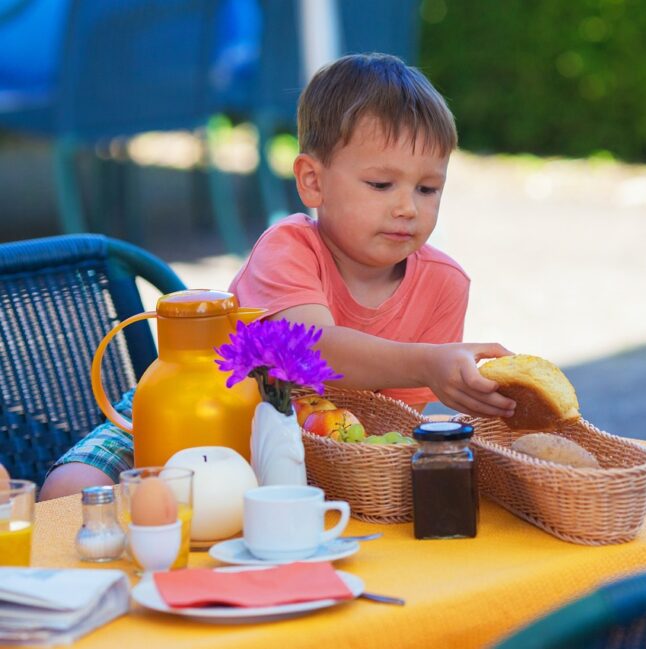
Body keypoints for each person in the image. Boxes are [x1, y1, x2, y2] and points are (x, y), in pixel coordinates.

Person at [39, 53, 515, 501]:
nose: (408, 207)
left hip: (313, 449)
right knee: (72, 489)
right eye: (380, 184)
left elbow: (389, 421)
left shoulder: (444, 285)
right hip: (197, 408)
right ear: (312, 181)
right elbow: (308, 350)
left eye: (428, 188)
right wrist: (427, 362)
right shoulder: (288, 247)